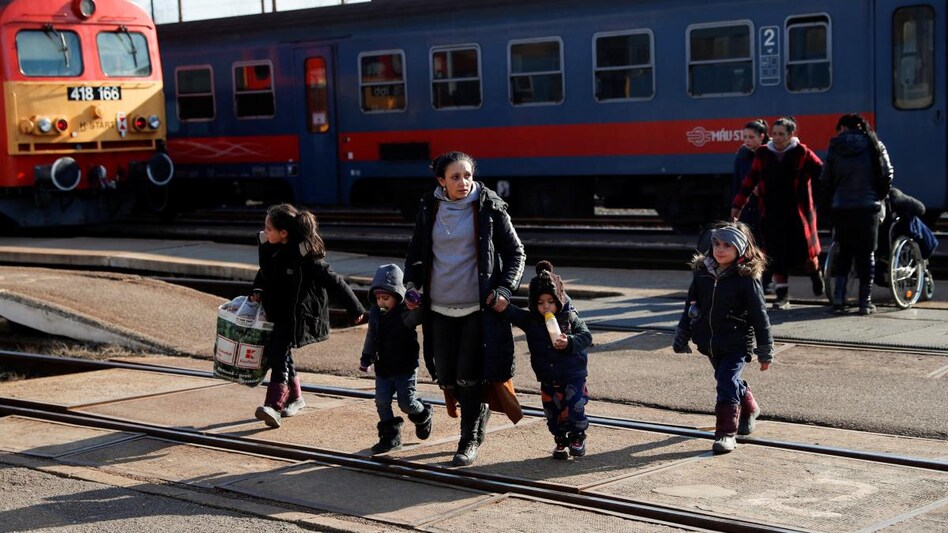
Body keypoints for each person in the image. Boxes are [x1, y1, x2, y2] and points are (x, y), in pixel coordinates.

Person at [404, 151, 526, 467]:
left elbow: (516, 253)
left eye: (467, 175)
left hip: (477, 309)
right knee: (446, 375)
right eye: (455, 177)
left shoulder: (489, 207)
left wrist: (504, 288)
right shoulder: (429, 208)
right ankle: (476, 414)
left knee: (468, 376)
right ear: (441, 181)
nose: (463, 182)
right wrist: (413, 286)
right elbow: (416, 255)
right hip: (438, 310)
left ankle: (468, 439)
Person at [251, 203, 365, 428]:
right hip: (275, 312)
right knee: (282, 355)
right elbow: (264, 275)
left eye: (269, 228)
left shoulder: (306, 257)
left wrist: (355, 308)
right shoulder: (270, 249)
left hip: (295, 316)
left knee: (278, 356)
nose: (265, 232)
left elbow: (335, 281)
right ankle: (296, 398)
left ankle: (274, 405)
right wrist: (257, 290)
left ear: (283, 233)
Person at [673, 221, 774, 454]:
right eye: (717, 244)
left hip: (736, 342)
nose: (720, 249)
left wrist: (765, 350)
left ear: (740, 249)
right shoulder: (702, 274)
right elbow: (691, 305)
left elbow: (760, 316)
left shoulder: (746, 279)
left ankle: (726, 433)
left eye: (727, 245)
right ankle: (749, 408)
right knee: (726, 379)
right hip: (709, 341)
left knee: (725, 383)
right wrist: (683, 332)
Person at [492, 260, 593, 460]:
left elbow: (586, 336)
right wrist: (502, 305)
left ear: (559, 300)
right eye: (540, 303)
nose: (546, 306)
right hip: (548, 376)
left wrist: (570, 342)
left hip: (573, 374)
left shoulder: (569, 318)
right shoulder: (532, 321)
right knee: (552, 412)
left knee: (574, 407)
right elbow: (513, 314)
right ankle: (560, 439)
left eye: (550, 301)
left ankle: (577, 437)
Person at [731, 116, 824, 309]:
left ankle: (816, 274)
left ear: (791, 135)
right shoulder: (763, 154)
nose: (777, 137)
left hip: (798, 214)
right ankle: (782, 296)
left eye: (781, 134)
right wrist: (737, 206)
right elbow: (749, 181)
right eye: (774, 133)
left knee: (806, 253)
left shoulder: (802, 152)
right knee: (775, 253)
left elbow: (822, 173)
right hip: (772, 212)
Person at [819, 114, 894, 315]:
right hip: (868, 209)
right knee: (866, 253)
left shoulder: (835, 146)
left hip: (842, 207)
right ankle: (864, 302)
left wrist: (834, 199)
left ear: (843, 127)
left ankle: (839, 300)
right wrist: (877, 195)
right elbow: (887, 175)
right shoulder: (875, 144)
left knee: (843, 253)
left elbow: (825, 178)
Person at [359, 263, 433, 453]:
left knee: (406, 403)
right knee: (381, 401)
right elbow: (371, 336)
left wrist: (417, 301)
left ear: (398, 297)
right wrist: (366, 357)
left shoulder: (404, 314)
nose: (381, 302)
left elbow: (419, 315)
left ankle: (423, 413)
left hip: (404, 366)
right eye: (378, 298)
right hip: (383, 366)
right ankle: (390, 437)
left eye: (386, 298)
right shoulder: (376, 313)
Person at [733, 119, 773, 293]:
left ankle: (766, 280)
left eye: (751, 137)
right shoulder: (742, 154)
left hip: (766, 206)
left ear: (762, 137)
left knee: (766, 245)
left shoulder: (770, 154)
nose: (746, 140)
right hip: (748, 206)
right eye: (745, 137)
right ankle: (752, 280)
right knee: (749, 245)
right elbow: (737, 182)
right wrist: (736, 206)